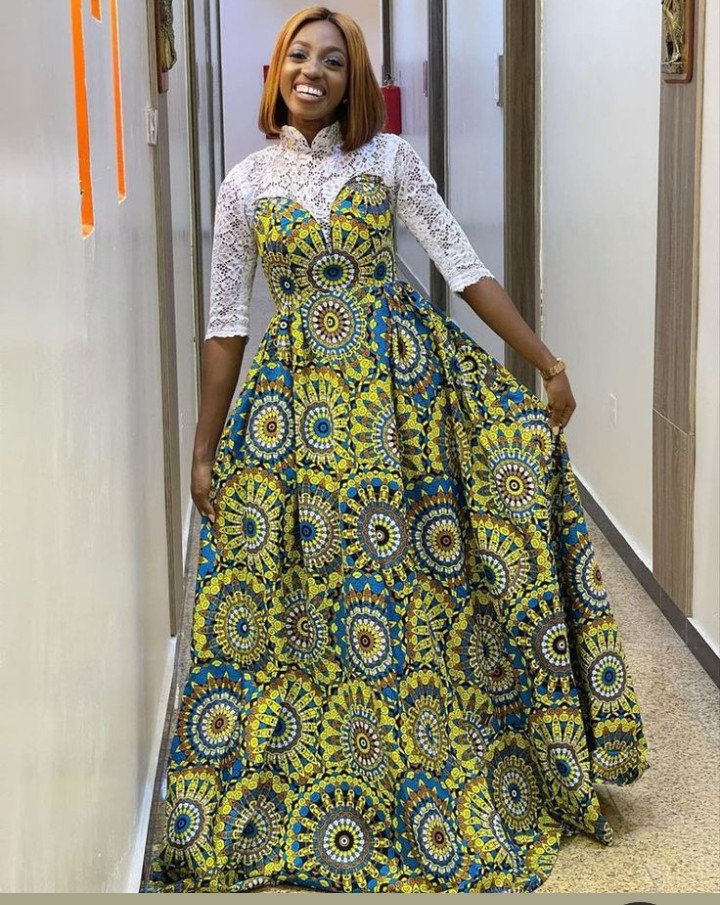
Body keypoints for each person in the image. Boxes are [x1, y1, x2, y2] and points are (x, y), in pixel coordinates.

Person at [144, 6, 648, 894]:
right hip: (295, 410)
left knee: (410, 581)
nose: (313, 72)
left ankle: (422, 757)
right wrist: (202, 447)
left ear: (355, 80)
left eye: (333, 61)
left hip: (401, 398)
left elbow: (464, 267)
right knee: (307, 584)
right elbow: (225, 327)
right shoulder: (243, 184)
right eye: (300, 56)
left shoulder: (389, 161)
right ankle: (324, 771)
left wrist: (547, 363)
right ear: (277, 69)